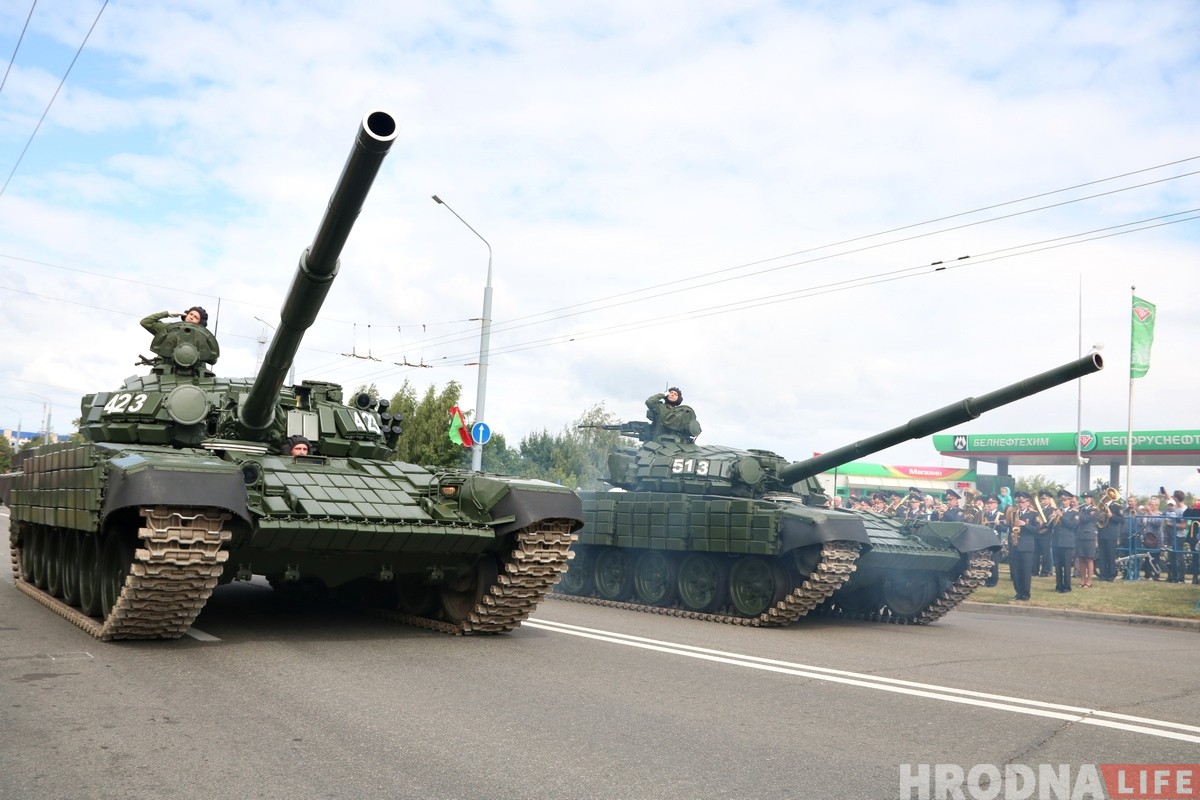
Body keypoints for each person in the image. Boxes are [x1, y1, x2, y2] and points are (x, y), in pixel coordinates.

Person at [1008, 491, 1041, 601]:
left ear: (1028, 502)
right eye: (1018, 502)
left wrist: (1025, 525)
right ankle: (1018, 593)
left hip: (1027, 546)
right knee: (1016, 571)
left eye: (1022, 502)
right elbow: (1010, 527)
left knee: (1026, 571)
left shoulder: (1033, 514)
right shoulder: (1014, 513)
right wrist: (1012, 535)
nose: (1020, 504)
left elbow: (1037, 529)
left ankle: (1026, 594)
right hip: (1015, 545)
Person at [1096, 487, 1124, 582]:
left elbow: (1121, 520)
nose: (1104, 496)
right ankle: (1103, 575)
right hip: (1101, 533)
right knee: (1102, 555)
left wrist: (1112, 516)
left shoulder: (1117, 506)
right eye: (1103, 494)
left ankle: (1111, 575)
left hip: (1111, 534)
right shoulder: (1100, 506)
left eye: (1105, 494)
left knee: (1111, 555)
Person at [1052, 490, 1078, 592]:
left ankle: (1067, 586)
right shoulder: (1057, 511)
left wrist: (1061, 516)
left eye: (1065, 500)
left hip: (1067, 543)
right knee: (1058, 566)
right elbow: (1051, 526)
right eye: (1062, 500)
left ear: (1070, 500)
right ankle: (1058, 586)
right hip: (1056, 542)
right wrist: (1052, 519)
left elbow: (1072, 526)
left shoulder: (1074, 513)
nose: (1063, 502)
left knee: (1067, 566)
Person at [1074, 491, 1100, 588]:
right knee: (1081, 558)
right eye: (1084, 498)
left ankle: (1089, 580)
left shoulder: (1094, 510)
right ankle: (1082, 579)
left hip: (1089, 536)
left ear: (1091, 499)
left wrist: (1077, 513)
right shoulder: (1082, 509)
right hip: (1080, 535)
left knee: (1089, 558)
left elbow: (1085, 519)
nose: (1086, 500)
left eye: (1088, 498)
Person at [141, 306, 209, 336]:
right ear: (186, 315)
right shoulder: (171, 328)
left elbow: (213, 359)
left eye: (196, 317)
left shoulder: (201, 337)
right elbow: (145, 322)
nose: (191, 317)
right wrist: (167, 313)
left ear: (200, 323)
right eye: (191, 314)